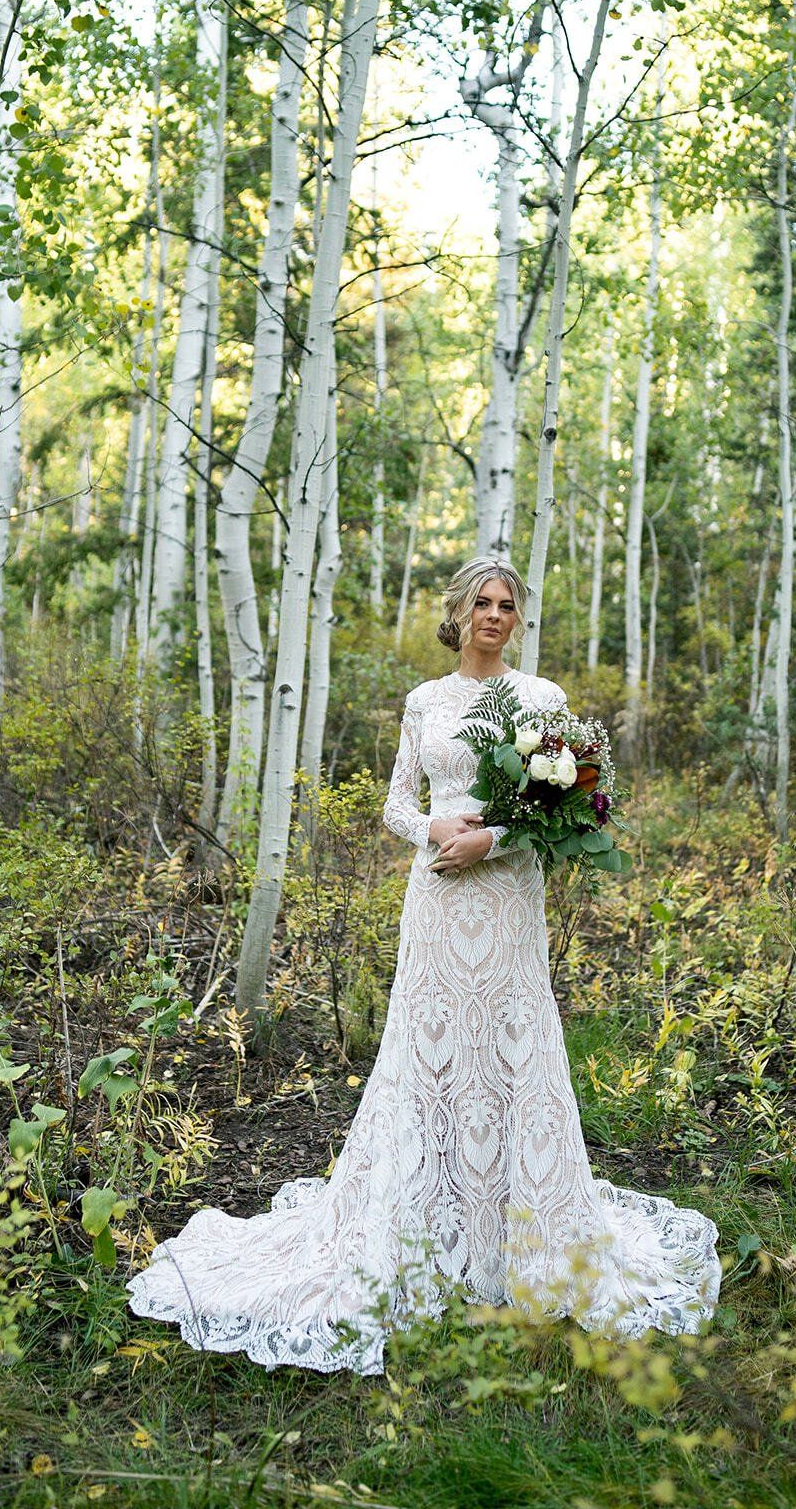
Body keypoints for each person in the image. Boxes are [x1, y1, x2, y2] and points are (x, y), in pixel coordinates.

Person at [126, 557, 721, 1372]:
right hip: (437, 896)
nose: (494, 614)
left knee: (509, 1039)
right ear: (458, 613)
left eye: (506, 604)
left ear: (517, 617)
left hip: (507, 894)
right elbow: (395, 803)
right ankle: (425, 1223)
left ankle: (517, 1234)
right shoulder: (425, 701)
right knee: (430, 1046)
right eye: (481, 602)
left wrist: (492, 839)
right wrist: (436, 831)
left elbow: (568, 800)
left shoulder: (541, 698)